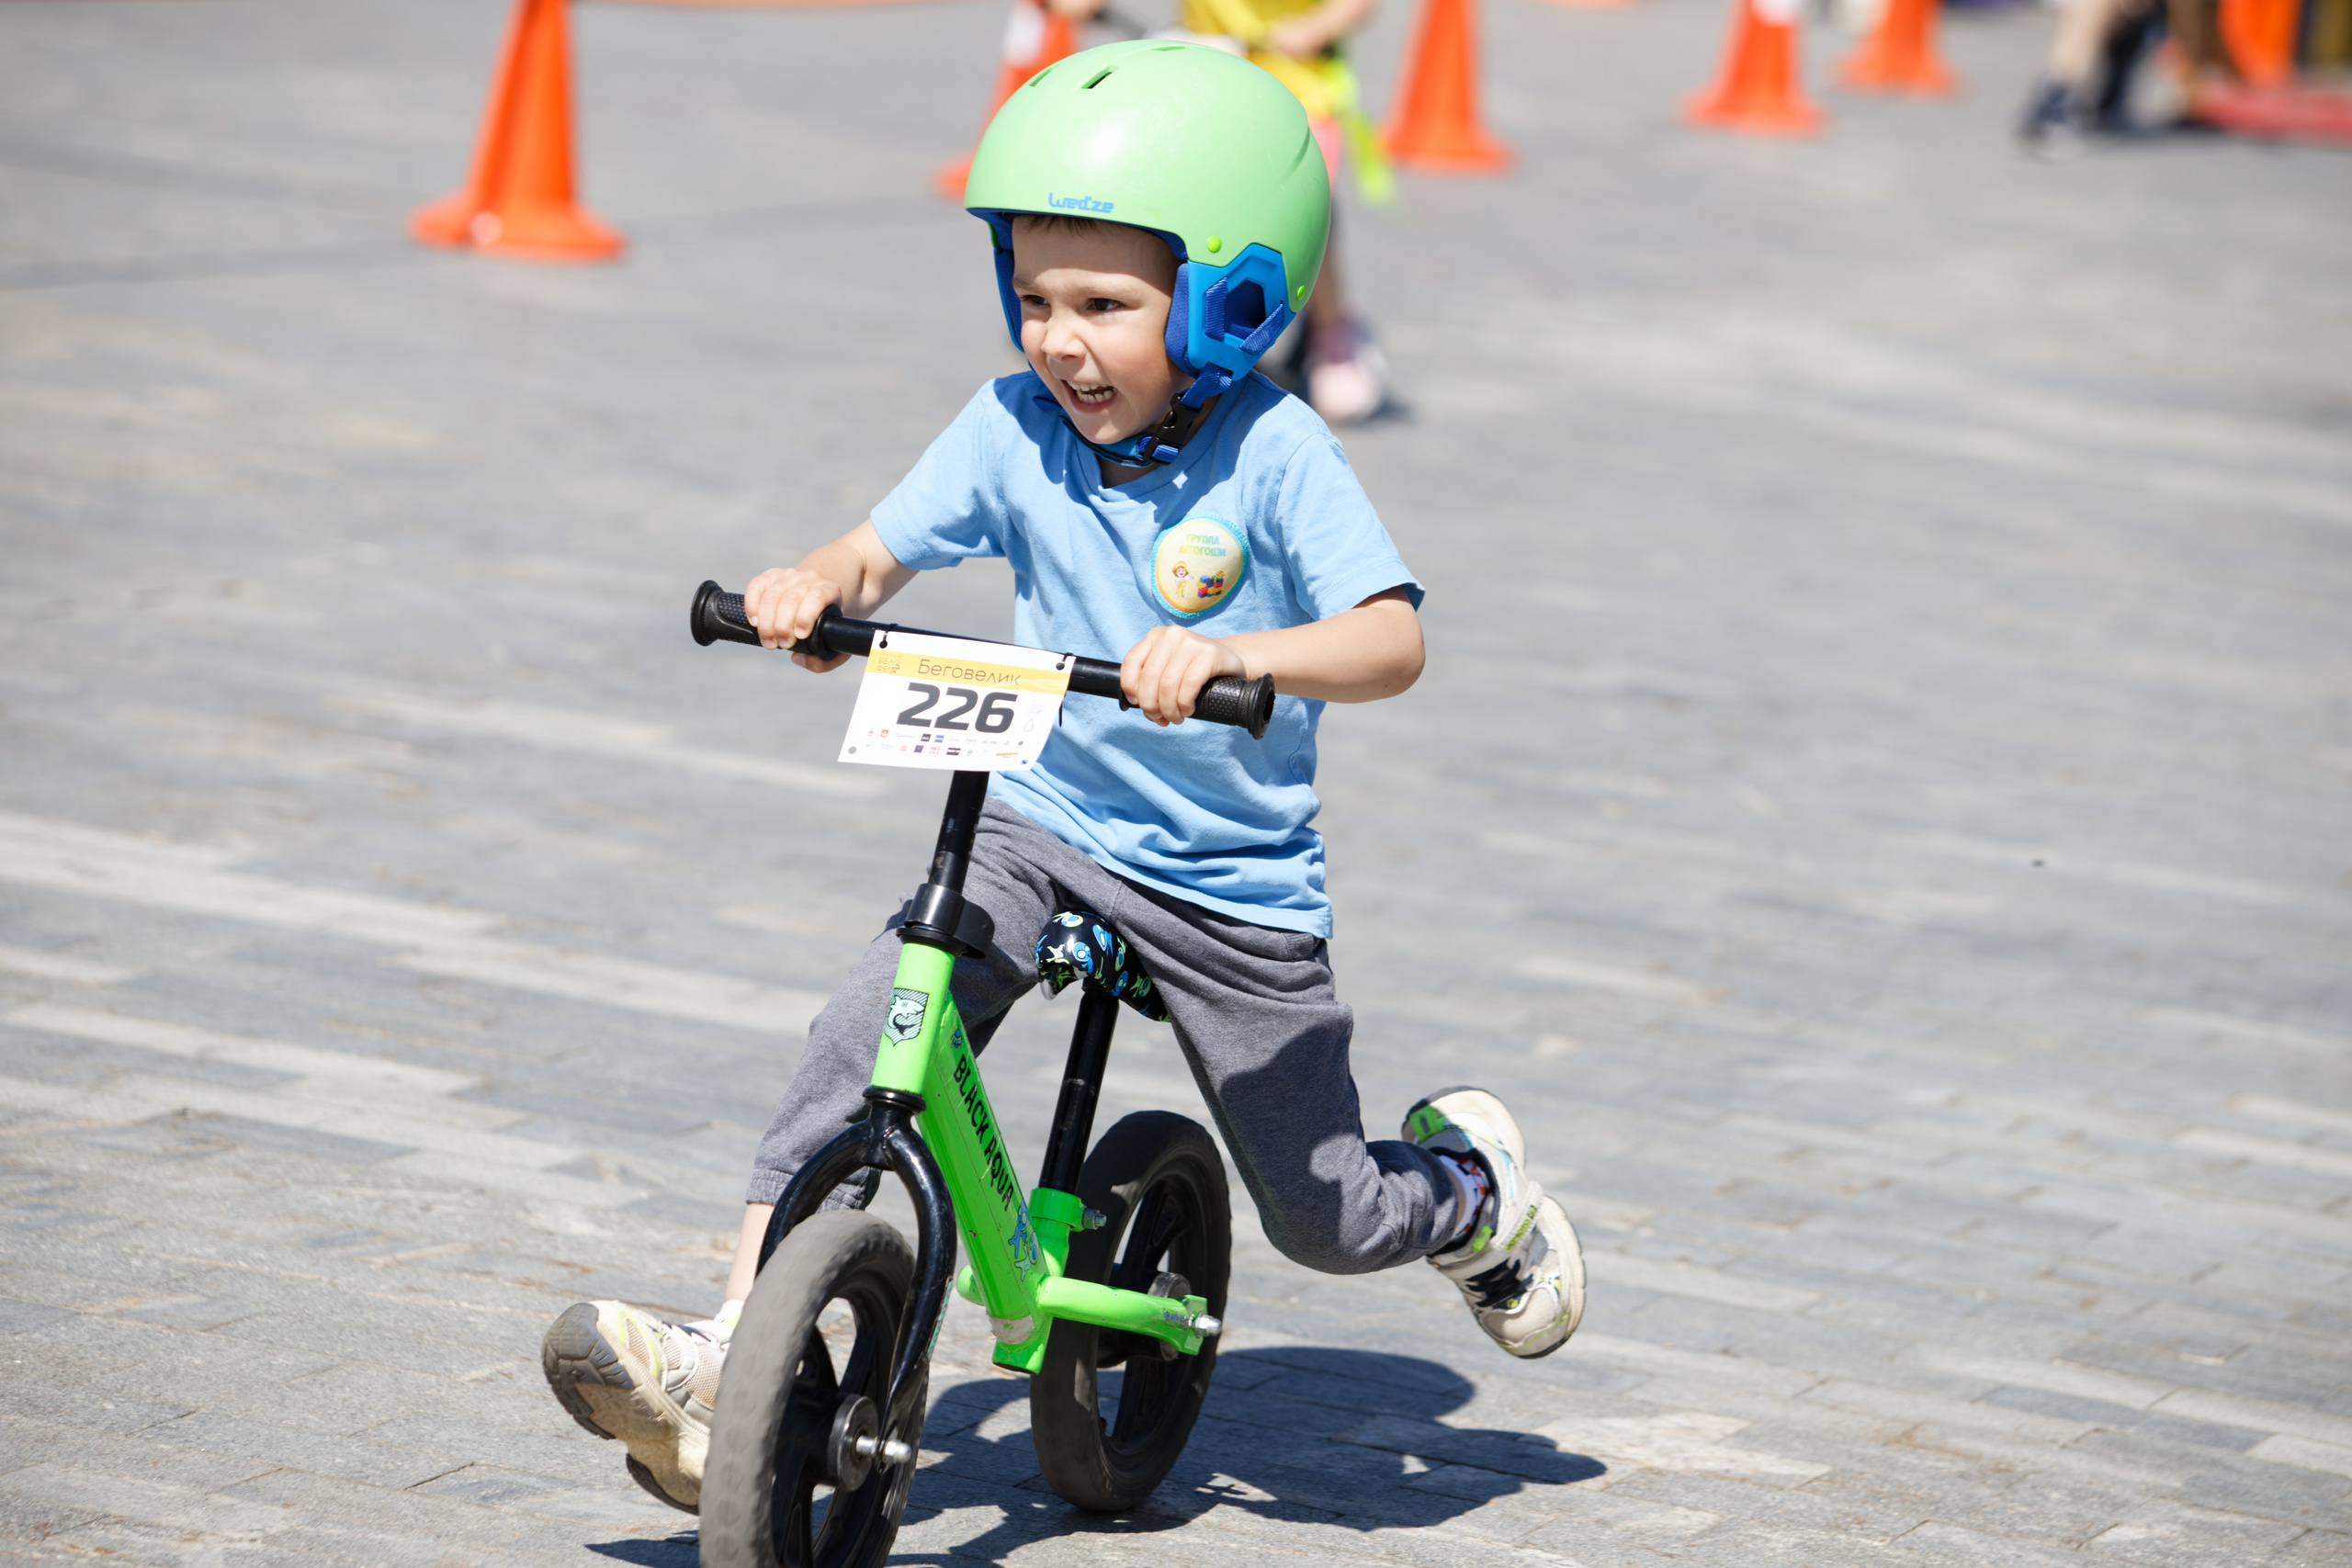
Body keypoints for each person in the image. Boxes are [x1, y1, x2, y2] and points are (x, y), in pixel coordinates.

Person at [538, 41, 1583, 1515]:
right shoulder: (1011, 424)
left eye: (1104, 304)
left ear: (1227, 302)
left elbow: (1392, 639)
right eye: (1033, 298)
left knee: (1328, 1211)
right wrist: (811, 591)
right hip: (1042, 820)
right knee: (865, 1038)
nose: (1060, 341)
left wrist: (1248, 657)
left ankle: (1470, 1186)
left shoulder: (1275, 452)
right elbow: (876, 548)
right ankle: (730, 1360)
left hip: (1230, 888)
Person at [1053, 0, 1394, 423]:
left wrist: (1313, 27)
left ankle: (1333, 331)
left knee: (1297, 213)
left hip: (1296, 85)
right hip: (1205, 72)